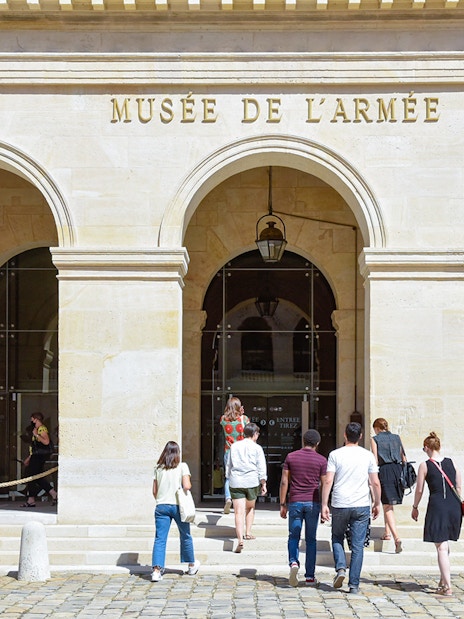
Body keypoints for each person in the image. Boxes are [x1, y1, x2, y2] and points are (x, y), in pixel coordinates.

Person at [321, 422, 381, 595]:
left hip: (340, 502)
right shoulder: (368, 455)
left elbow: (328, 480)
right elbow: (375, 482)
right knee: (358, 546)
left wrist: (324, 504)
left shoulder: (335, 454)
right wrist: (377, 502)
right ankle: (353, 584)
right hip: (361, 503)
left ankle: (340, 567)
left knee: (337, 537)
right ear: (360, 436)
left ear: (345, 435)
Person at [411, 431, 462, 597]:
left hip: (438, 505)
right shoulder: (452, 462)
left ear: (427, 447)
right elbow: (459, 486)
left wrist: (415, 506)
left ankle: (447, 586)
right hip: (454, 506)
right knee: (445, 545)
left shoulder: (425, 465)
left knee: (441, 547)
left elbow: (419, 489)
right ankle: (442, 580)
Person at [280, 429, 327, 587]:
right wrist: (325, 505)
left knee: (293, 536)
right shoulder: (321, 460)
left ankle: (293, 562)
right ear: (318, 443)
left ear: (303, 441)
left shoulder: (291, 457)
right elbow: (324, 484)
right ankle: (309, 576)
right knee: (311, 540)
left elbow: (284, 481)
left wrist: (282, 503)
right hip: (312, 503)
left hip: (295, 501)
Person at [151, 441, 200, 582]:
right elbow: (187, 485)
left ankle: (156, 570)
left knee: (160, 539)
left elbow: (154, 491)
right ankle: (191, 565)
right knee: (185, 535)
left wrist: (161, 498)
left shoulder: (158, 468)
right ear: (177, 452)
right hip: (178, 505)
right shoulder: (182, 466)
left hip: (161, 506)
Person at [226, 422, 267, 553]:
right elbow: (261, 466)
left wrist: (228, 476)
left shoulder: (234, 446)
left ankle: (240, 540)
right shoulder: (257, 448)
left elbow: (229, 464)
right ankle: (248, 532)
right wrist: (263, 482)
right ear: (255, 434)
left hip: (236, 481)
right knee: (250, 507)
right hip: (251, 481)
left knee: (238, 512)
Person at [370, 417, 406, 553]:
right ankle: (387, 532)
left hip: (385, 471)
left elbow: (374, 458)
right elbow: (403, 457)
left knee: (387, 505)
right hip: (398, 470)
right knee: (388, 504)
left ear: (377, 428)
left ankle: (396, 538)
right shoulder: (397, 437)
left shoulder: (375, 439)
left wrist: (371, 476)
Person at [220, 396, 249, 514]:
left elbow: (224, 420)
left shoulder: (223, 419)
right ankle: (242, 500)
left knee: (228, 476)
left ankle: (228, 497)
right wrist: (241, 415)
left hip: (228, 451)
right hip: (241, 452)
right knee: (242, 475)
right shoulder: (244, 419)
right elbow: (250, 430)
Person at [21, 412, 57, 507]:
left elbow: (46, 441)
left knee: (32, 476)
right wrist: (29, 458)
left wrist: (36, 435)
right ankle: (53, 493)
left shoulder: (42, 429)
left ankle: (31, 499)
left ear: (36, 419)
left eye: (32, 419)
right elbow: (35, 448)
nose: (31, 421)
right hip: (36, 456)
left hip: (39, 457)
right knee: (37, 477)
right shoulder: (36, 429)